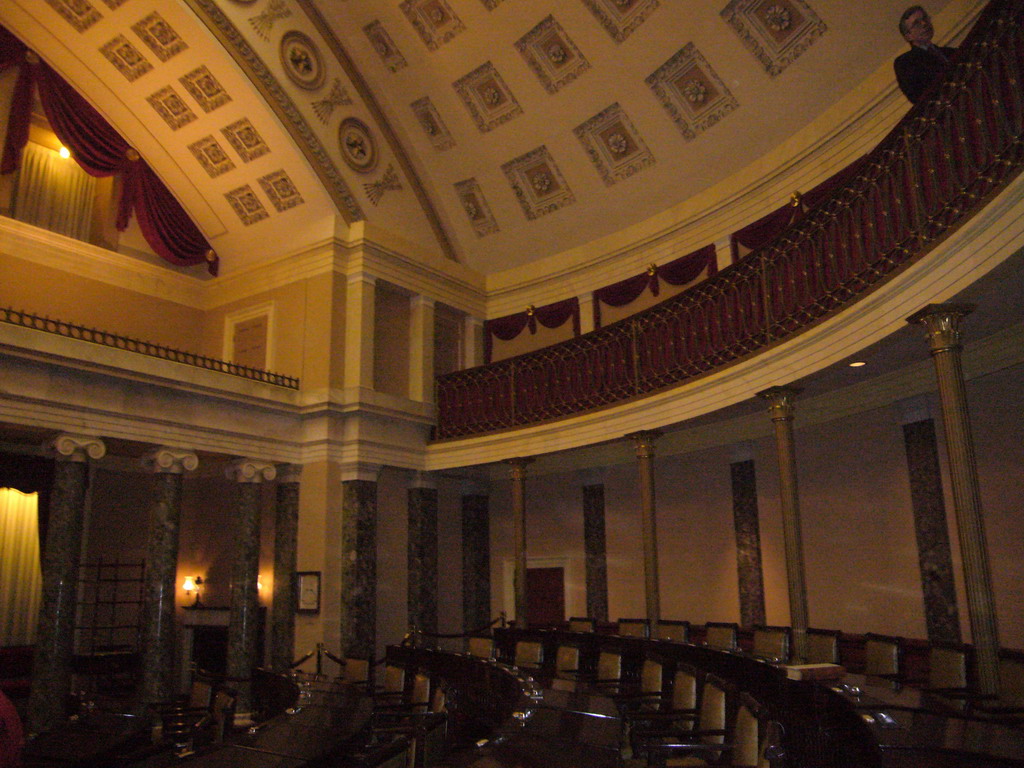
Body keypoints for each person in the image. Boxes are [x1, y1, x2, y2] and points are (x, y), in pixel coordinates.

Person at [894, 6, 957, 104]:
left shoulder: (951, 52)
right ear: (908, 36)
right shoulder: (905, 63)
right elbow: (918, 97)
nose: (924, 24)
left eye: (925, 18)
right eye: (916, 23)